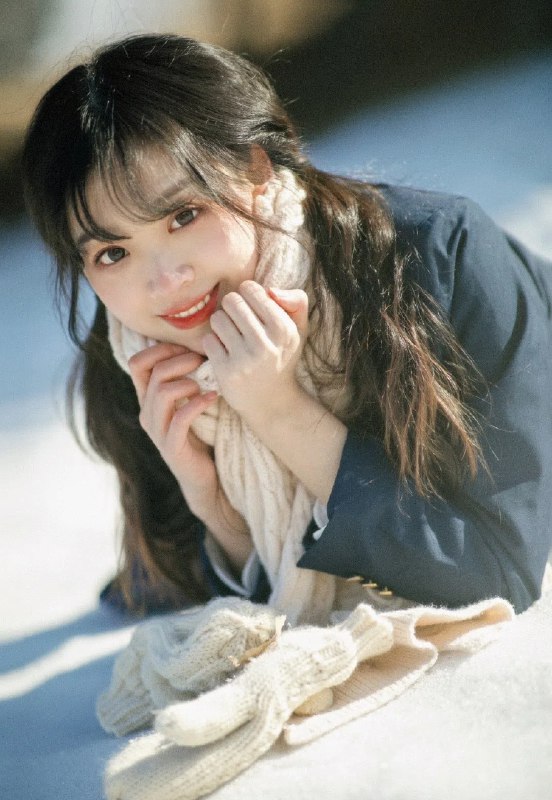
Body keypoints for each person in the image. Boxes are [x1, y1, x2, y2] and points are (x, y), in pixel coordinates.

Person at [22, 33, 552, 621]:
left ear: (255, 166)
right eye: (113, 252)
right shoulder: (142, 355)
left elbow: (498, 569)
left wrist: (279, 411)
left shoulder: (437, 259)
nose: (166, 282)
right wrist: (214, 506)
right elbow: (182, 579)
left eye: (184, 215)